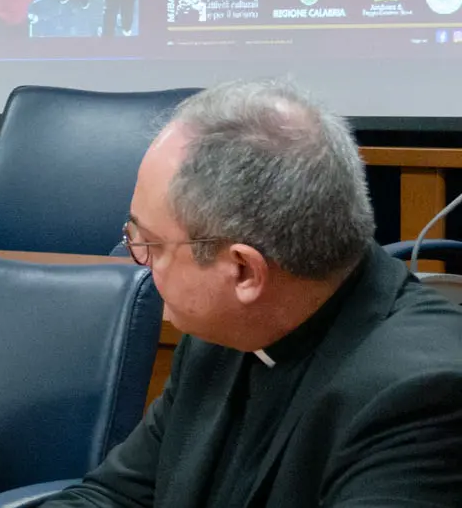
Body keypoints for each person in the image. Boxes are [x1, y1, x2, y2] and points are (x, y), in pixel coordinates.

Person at [46, 79, 462, 507]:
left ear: (244, 271)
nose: (139, 260)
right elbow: (116, 496)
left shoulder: (425, 398)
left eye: (148, 242)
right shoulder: (223, 335)